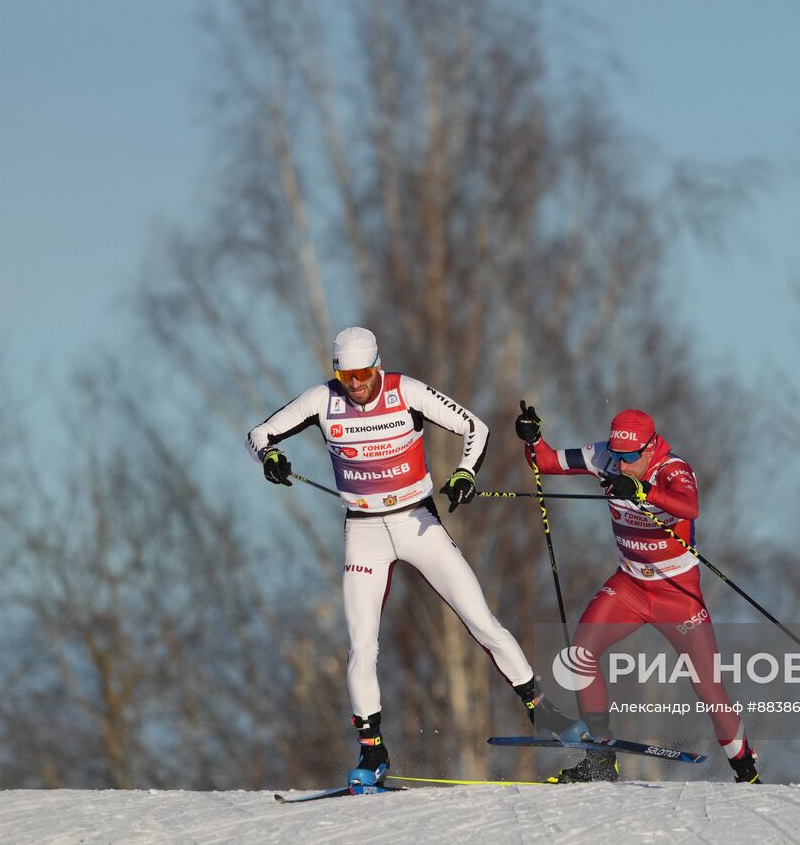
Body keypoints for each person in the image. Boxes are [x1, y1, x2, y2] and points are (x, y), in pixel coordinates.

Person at [247, 327, 585, 786]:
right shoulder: (321, 401)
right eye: (346, 374)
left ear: (377, 366)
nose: (356, 383)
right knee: (361, 645)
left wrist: (465, 473)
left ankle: (542, 710)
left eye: (364, 373)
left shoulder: (405, 391)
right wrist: (269, 457)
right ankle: (372, 751)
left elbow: (475, 427)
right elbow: (259, 433)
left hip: (417, 523)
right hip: (364, 531)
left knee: (481, 620)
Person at [516, 402, 760, 784]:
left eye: (631, 458)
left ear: (650, 449)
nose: (622, 464)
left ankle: (745, 768)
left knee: (707, 685)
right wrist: (533, 438)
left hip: (676, 592)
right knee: (579, 653)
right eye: (618, 456)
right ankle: (599, 758)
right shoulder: (605, 456)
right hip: (629, 585)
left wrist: (644, 490)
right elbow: (545, 462)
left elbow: (689, 506)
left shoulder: (674, 469)